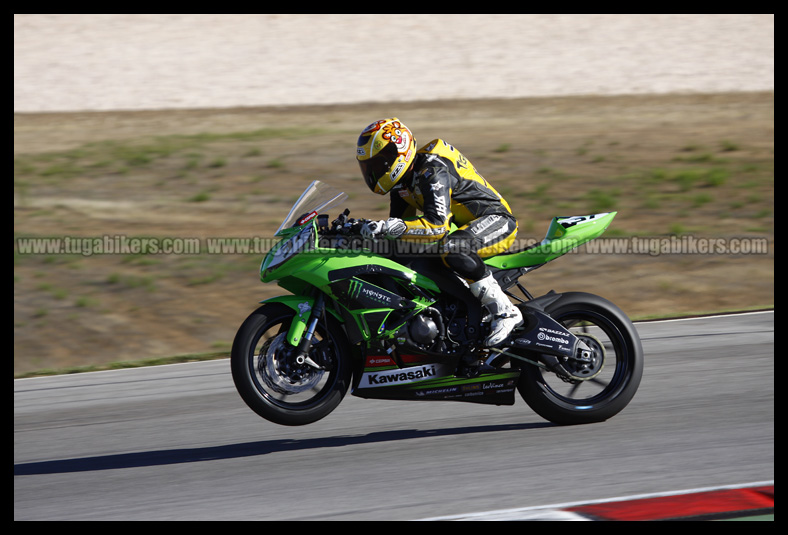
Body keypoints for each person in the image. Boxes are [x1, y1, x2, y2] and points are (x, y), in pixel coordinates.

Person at [356, 117, 523, 346]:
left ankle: (505, 311)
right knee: (397, 253)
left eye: (380, 162)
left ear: (400, 151)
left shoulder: (432, 169)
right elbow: (401, 235)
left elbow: (435, 227)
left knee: (452, 248)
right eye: (370, 166)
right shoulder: (402, 186)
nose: (376, 171)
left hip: (496, 220)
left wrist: (389, 227)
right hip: (463, 228)